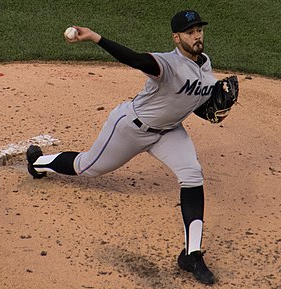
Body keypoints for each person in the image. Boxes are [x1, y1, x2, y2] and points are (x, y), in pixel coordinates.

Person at [27, 10, 217, 285]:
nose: (197, 36)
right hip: (131, 128)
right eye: (190, 32)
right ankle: (37, 162)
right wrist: (95, 38)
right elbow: (135, 59)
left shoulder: (205, 64)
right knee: (88, 167)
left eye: (199, 30)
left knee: (193, 176)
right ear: (177, 38)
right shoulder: (166, 64)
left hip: (169, 132)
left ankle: (192, 254)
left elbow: (193, 99)